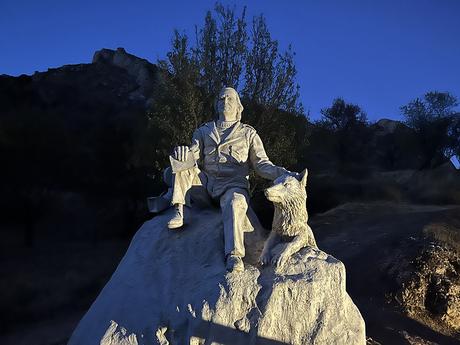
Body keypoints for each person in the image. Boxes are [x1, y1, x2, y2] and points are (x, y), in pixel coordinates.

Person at [160, 87, 296, 272]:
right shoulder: (204, 131)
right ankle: (178, 209)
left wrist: (282, 173)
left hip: (233, 185)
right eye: (221, 98)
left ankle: (234, 255)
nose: (225, 101)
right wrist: (182, 153)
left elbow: (262, 164)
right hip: (207, 184)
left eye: (230, 98)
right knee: (186, 169)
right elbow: (193, 155)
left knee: (235, 202)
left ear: (239, 107)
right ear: (216, 104)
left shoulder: (248, 134)